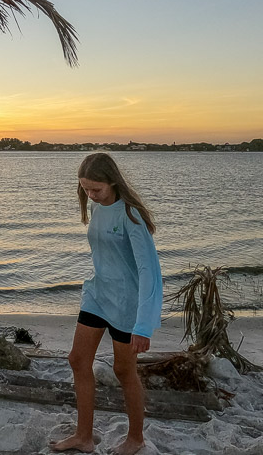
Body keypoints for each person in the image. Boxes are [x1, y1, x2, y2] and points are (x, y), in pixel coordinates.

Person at [51, 153, 163, 455]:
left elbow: (148, 272)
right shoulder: (98, 208)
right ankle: (84, 436)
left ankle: (136, 438)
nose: (90, 195)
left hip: (127, 305)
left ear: (113, 181)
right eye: (85, 189)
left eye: (96, 189)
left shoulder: (131, 216)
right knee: (77, 359)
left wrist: (144, 325)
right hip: (98, 295)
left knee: (124, 372)